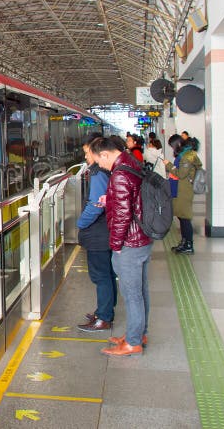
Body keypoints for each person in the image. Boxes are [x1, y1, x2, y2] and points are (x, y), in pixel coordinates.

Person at [88, 136, 152, 357]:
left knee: (132, 293)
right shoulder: (130, 163)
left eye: (99, 161)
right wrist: (112, 199)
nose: (100, 166)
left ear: (105, 154)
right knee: (140, 291)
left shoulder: (120, 174)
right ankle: (138, 333)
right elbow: (130, 201)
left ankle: (133, 342)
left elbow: (123, 215)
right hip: (141, 238)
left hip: (130, 243)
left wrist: (115, 245)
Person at [76, 133, 117, 333]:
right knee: (106, 275)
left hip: (99, 234)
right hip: (104, 232)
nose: (86, 157)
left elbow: (95, 205)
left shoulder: (98, 174)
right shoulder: (104, 172)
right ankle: (105, 311)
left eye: (87, 153)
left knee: (101, 276)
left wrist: (81, 223)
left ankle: (104, 317)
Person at [163, 135, 202, 255]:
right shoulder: (184, 155)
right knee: (181, 217)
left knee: (185, 218)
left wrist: (168, 165)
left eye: (172, 146)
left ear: (177, 144)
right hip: (179, 189)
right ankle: (184, 242)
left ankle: (188, 244)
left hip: (183, 191)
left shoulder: (186, 157)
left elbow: (181, 174)